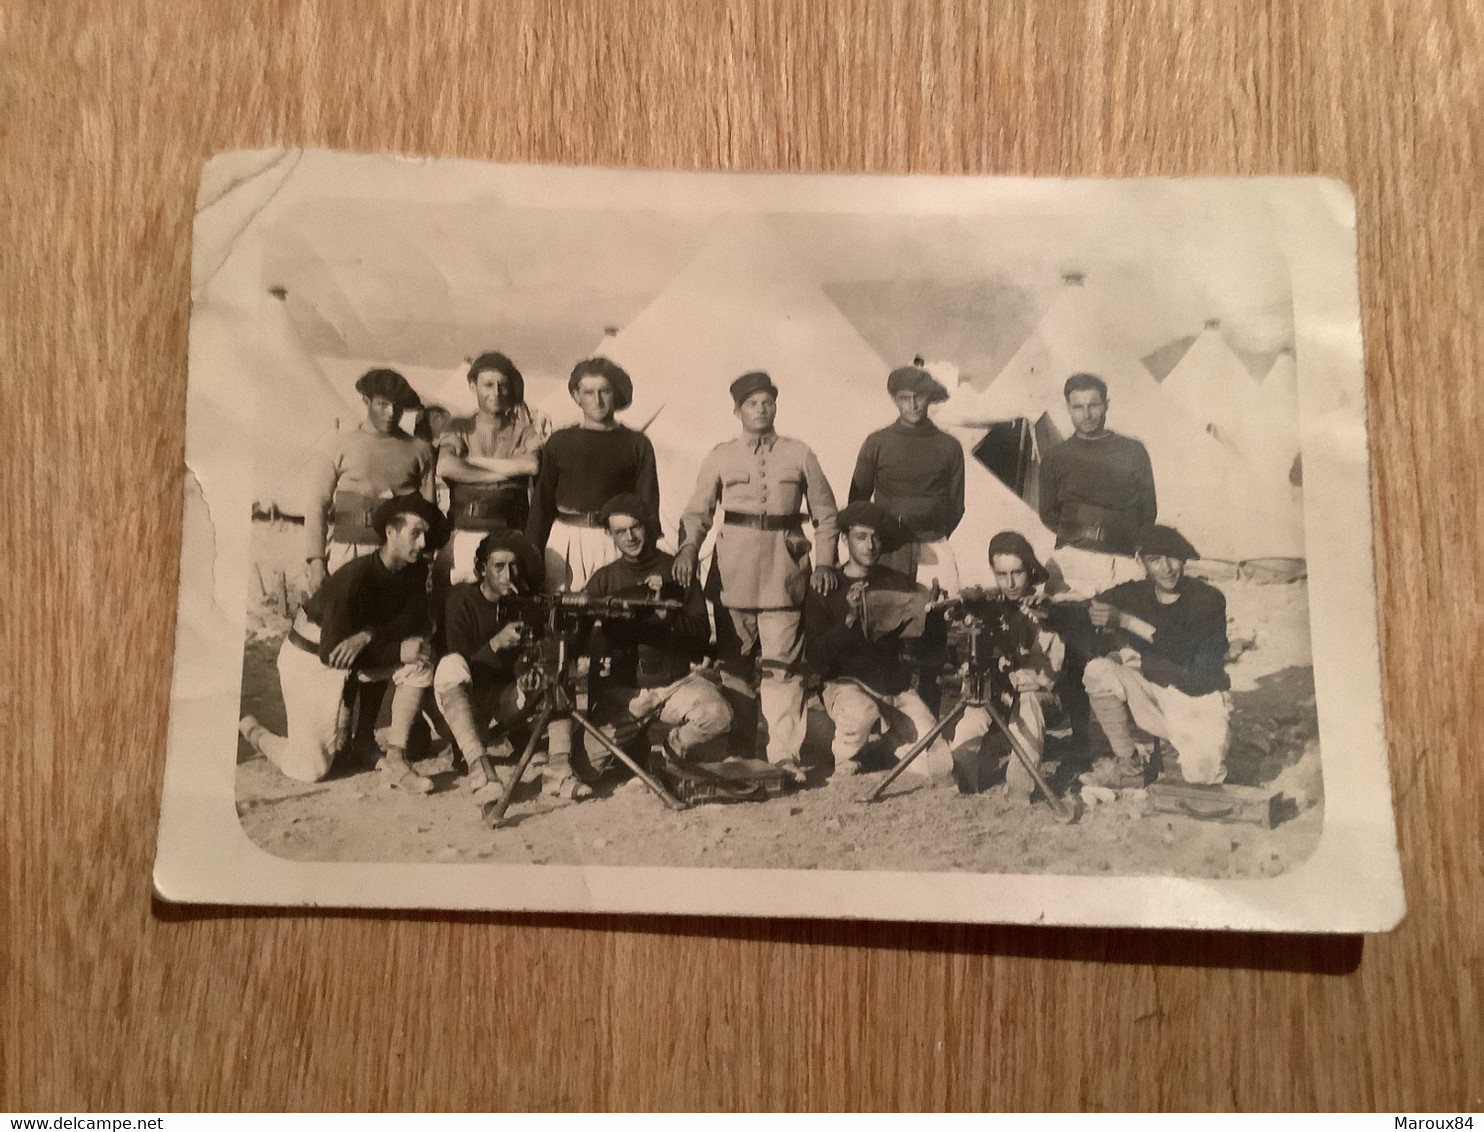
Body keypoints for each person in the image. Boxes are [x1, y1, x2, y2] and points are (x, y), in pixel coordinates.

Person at [673, 373, 840, 782]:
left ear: (775, 406)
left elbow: (826, 513)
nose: (760, 409)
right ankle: (739, 748)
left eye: (767, 401)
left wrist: (825, 563)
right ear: (738, 411)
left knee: (783, 669)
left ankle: (784, 755)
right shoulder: (720, 455)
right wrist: (688, 547)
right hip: (733, 577)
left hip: (785, 577)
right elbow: (698, 512)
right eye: (752, 403)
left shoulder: (800, 453)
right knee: (734, 668)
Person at [240, 494, 447, 792]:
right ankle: (254, 731)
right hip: (310, 660)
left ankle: (395, 759)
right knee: (312, 768)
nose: (423, 543)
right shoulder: (356, 577)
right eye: (415, 533)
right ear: (391, 532)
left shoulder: (414, 571)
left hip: (354, 653)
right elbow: (332, 655)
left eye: (426, 534)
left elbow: (412, 620)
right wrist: (394, 649)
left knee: (419, 661)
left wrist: (370, 634)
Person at [580, 494, 732, 773]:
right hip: (626, 692)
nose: (629, 537)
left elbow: (701, 633)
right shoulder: (604, 579)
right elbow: (581, 635)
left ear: (649, 527)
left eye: (635, 527)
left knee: (717, 714)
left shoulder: (678, 570)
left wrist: (669, 619)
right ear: (610, 535)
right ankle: (635, 741)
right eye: (620, 531)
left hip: (675, 682)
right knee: (587, 767)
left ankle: (672, 749)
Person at [805, 501, 951, 778]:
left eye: (876, 537)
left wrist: (932, 614)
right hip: (844, 685)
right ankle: (843, 754)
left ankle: (885, 743)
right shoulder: (826, 587)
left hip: (891, 686)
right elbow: (816, 656)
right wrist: (849, 619)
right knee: (861, 712)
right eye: (861, 537)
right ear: (845, 540)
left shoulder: (897, 582)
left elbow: (925, 644)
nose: (870, 545)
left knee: (936, 766)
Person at [1080, 525, 1231, 788]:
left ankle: (1175, 745)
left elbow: (1187, 653)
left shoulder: (1207, 599)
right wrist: (1048, 609)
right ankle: (1130, 762)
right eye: (1155, 560)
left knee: (1204, 777)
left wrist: (1126, 622)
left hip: (1197, 698)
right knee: (1098, 671)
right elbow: (1086, 608)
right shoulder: (1134, 593)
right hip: (1152, 693)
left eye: (1173, 558)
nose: (1167, 568)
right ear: (1141, 562)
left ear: (1183, 559)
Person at [432, 528, 549, 799]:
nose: (508, 575)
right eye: (499, 566)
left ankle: (520, 737)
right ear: (482, 569)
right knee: (451, 666)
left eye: (513, 566)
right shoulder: (461, 600)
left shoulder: (524, 601)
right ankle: (477, 761)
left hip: (502, 699)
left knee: (547, 667)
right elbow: (457, 663)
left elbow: (528, 656)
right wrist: (495, 645)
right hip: (462, 702)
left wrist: (525, 674)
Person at [947, 531, 1065, 800]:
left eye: (1017, 573)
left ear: (1030, 569)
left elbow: (1047, 675)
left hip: (1038, 696)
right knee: (968, 730)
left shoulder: (1042, 608)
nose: (1010, 583)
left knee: (1028, 700)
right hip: (998, 693)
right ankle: (971, 778)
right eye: (1002, 574)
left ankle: (1019, 787)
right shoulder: (990, 605)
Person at [526, 357, 659, 593]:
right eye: (588, 392)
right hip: (565, 541)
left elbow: (647, 506)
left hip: (614, 541)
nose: (597, 400)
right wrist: (531, 555)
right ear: (577, 396)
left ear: (615, 394)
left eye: (604, 391)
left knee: (615, 613)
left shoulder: (637, 444)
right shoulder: (560, 442)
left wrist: (647, 560)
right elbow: (542, 504)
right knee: (564, 616)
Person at [303, 368, 436, 592]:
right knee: (344, 622)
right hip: (348, 552)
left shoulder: (420, 450)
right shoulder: (339, 444)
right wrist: (316, 561)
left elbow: (427, 510)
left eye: (398, 406)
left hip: (398, 555)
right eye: (383, 404)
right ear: (366, 401)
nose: (391, 413)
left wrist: (423, 556)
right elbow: (318, 503)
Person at [848, 363, 965, 594]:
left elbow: (956, 505)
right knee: (885, 613)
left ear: (929, 398)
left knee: (941, 609)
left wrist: (931, 531)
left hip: (933, 543)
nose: (912, 405)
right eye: (905, 398)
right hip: (887, 546)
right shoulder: (877, 443)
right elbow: (858, 503)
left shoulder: (949, 446)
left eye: (919, 397)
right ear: (894, 400)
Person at [1038, 373, 1157, 600]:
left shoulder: (1133, 451)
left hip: (1121, 559)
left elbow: (1148, 511)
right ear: (1068, 408)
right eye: (1078, 407)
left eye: (1093, 405)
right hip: (1073, 560)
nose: (1086, 414)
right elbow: (1049, 514)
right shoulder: (1055, 457)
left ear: (1106, 405)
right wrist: (1082, 535)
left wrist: (1118, 537)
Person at [438, 352, 545, 584]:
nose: (496, 392)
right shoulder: (459, 426)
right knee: (463, 597)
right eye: (488, 385)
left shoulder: (523, 430)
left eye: (502, 385)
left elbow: (531, 465)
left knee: (505, 597)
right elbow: (446, 466)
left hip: (509, 533)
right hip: (467, 529)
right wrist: (505, 472)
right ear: (472, 386)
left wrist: (471, 462)